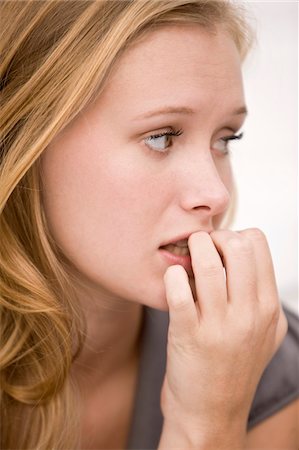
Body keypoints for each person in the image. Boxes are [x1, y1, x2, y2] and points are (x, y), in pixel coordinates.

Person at [0, 1, 298, 449]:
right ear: (24, 141)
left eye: (225, 139)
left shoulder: (258, 356)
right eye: (161, 137)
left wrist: (209, 421)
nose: (215, 194)